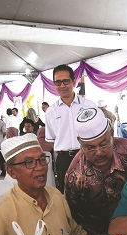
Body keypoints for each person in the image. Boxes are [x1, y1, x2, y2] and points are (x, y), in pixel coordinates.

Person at [65, 107, 127, 235]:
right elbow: (74, 222)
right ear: (80, 142)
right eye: (90, 148)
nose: (98, 152)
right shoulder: (75, 175)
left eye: (103, 144)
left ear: (111, 133)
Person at [45, 64, 97, 192]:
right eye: (58, 82)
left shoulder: (89, 106)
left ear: (74, 82)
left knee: (92, 191)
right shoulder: (51, 112)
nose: (62, 86)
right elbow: (51, 139)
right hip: (64, 160)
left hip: (88, 156)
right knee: (67, 195)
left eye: (66, 81)